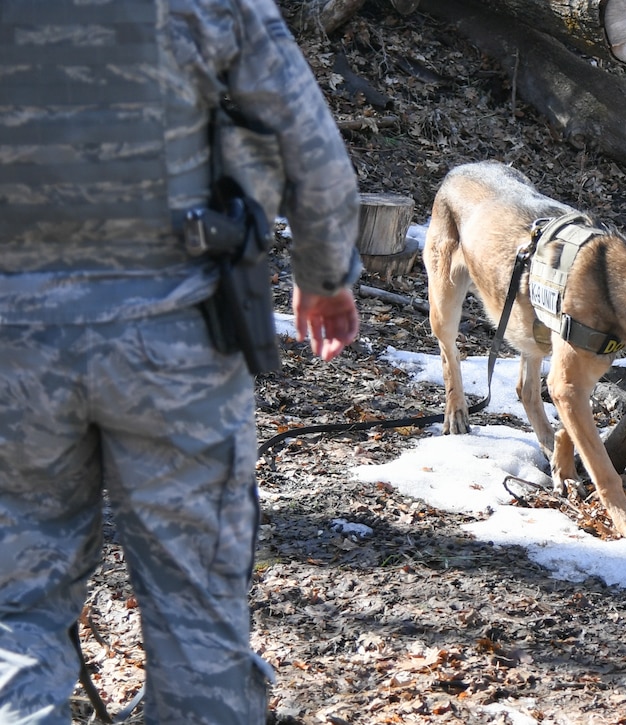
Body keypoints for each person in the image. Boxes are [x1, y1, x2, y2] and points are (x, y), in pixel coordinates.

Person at [0, 0, 362, 722]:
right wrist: (325, 279)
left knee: (15, 611)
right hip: (177, 344)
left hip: (17, 349)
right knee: (197, 613)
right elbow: (313, 149)